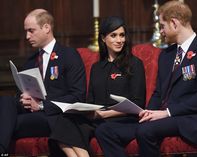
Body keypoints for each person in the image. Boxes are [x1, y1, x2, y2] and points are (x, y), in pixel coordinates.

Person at [49, 16, 146, 157]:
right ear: (103, 38)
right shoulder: (97, 67)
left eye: (122, 35)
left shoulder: (135, 64)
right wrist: (82, 110)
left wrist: (104, 114)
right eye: (113, 36)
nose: (119, 40)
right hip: (98, 118)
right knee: (64, 120)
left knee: (103, 129)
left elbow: (138, 103)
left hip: (124, 120)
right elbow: (91, 101)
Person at [135, 1, 197, 157]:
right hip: (168, 117)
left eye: (162, 26)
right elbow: (159, 92)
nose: (161, 31)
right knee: (132, 126)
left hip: (192, 119)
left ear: (174, 23)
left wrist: (167, 112)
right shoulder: (166, 55)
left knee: (145, 131)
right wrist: (148, 112)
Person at [0, 9, 86, 154]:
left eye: (31, 31)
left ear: (46, 27)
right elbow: (22, 94)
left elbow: (78, 96)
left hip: (55, 116)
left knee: (7, 123)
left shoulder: (69, 55)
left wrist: (40, 105)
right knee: (6, 101)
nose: (27, 36)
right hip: (31, 113)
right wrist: (23, 99)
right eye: (26, 31)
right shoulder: (31, 61)